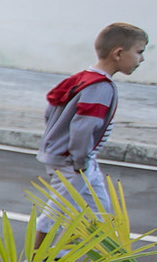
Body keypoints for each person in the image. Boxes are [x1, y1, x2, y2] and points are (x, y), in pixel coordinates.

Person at [33, 22, 148, 246]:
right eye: (139, 52)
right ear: (118, 53)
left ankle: (61, 258)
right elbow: (83, 128)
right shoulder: (100, 87)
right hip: (74, 161)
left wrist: (57, 141)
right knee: (57, 211)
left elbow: (51, 110)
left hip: (79, 158)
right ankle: (33, 261)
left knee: (97, 213)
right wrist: (80, 160)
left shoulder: (82, 77)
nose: (141, 59)